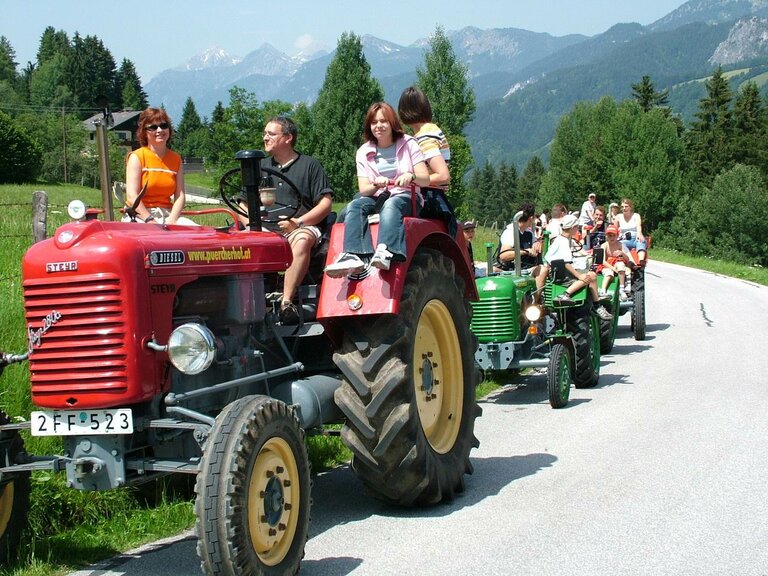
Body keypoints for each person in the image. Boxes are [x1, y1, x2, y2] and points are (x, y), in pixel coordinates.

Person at [238, 116, 333, 322]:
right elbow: (241, 202)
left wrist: (298, 223)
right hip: (264, 229)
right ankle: (245, 306)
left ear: (288, 137)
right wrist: (251, 223)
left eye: (271, 134)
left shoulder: (310, 165)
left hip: (300, 226)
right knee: (237, 243)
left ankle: (286, 302)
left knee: (301, 240)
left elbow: (325, 204)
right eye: (264, 133)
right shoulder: (259, 167)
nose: (265, 138)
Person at [325, 102, 429, 277]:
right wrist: (376, 184)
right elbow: (364, 189)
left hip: (405, 196)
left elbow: (424, 179)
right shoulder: (363, 151)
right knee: (355, 206)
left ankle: (386, 249)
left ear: (392, 123)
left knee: (392, 205)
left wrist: (411, 176)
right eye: (374, 122)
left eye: (383, 121)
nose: (379, 126)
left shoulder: (409, 144)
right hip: (379, 196)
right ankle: (354, 254)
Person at [125, 107, 196, 226]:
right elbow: (132, 196)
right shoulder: (137, 157)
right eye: (153, 127)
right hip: (140, 215)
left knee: (196, 233)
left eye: (163, 126)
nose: (159, 130)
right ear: (144, 132)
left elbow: (180, 195)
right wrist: (149, 219)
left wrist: (172, 219)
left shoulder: (176, 159)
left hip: (168, 214)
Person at [534, 214, 612, 321]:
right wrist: (579, 276)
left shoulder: (559, 239)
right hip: (561, 275)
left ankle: (596, 301)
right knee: (590, 276)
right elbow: (566, 263)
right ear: (572, 228)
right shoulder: (564, 242)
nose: (577, 230)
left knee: (590, 275)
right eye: (576, 227)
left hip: (557, 272)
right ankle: (567, 295)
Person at [397, 86, 451, 188]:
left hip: (429, 196)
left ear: (403, 111)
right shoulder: (432, 130)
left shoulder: (425, 138)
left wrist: (412, 180)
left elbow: (443, 176)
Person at [496, 202, 542, 272]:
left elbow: (535, 246)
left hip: (526, 268)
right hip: (510, 269)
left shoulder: (529, 232)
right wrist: (525, 251)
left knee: (543, 268)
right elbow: (503, 256)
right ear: (531, 218)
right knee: (542, 270)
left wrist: (537, 243)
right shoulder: (510, 231)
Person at [598, 224, 632, 301]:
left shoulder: (620, 244)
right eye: (609, 235)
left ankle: (622, 288)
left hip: (617, 264)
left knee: (621, 265)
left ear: (617, 236)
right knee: (609, 273)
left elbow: (627, 259)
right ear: (606, 236)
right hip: (607, 265)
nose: (612, 238)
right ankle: (603, 291)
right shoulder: (604, 245)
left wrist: (622, 253)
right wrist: (613, 268)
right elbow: (602, 261)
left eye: (614, 235)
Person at [614, 197, 647, 266]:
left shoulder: (636, 216)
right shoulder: (618, 217)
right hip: (625, 239)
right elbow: (614, 229)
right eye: (622, 207)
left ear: (630, 207)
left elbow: (638, 226)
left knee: (641, 241)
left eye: (626, 206)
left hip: (635, 237)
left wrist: (639, 234)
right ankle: (630, 261)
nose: (624, 208)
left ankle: (641, 260)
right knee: (621, 245)